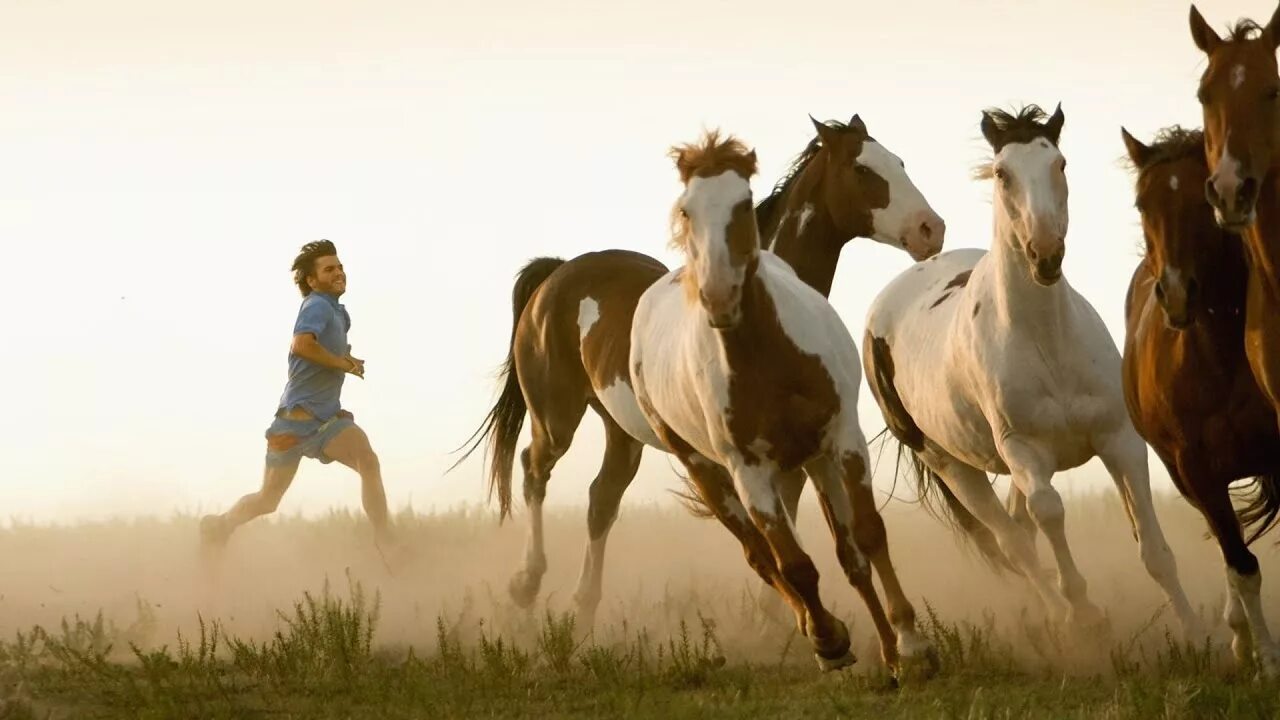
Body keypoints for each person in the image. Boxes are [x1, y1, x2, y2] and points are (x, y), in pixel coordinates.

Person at [200, 239, 400, 555]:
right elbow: (302, 345)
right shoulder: (316, 305)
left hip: (325, 422)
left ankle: (386, 539)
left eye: (340, 267)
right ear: (311, 279)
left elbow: (323, 355)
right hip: (295, 423)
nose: (339, 273)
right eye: (329, 269)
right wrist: (344, 364)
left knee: (367, 461)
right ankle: (219, 526)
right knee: (268, 500)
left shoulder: (338, 313)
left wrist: (347, 361)